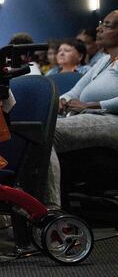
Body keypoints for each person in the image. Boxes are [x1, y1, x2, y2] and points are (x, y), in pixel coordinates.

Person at [46, 10, 118, 208]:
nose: (99, 28)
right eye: (101, 23)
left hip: (111, 118)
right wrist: (63, 99)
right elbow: (76, 90)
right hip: (91, 116)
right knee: (31, 131)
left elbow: (89, 101)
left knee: (45, 134)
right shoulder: (104, 61)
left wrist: (93, 105)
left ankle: (50, 211)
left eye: (108, 25)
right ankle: (21, 208)